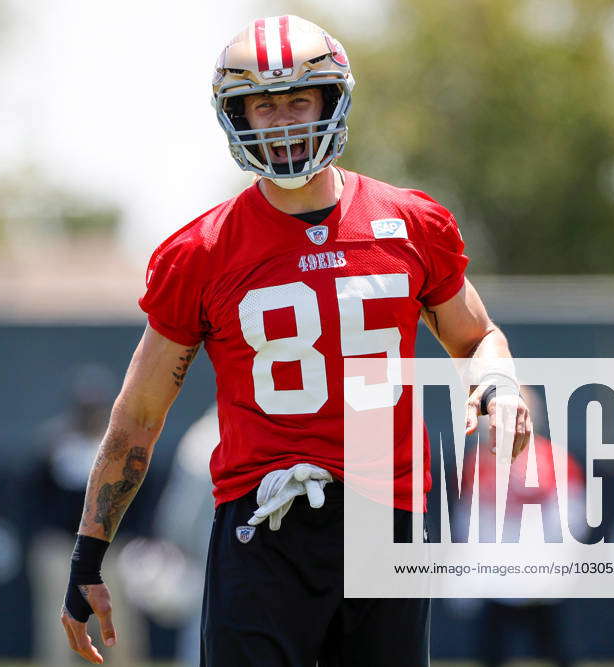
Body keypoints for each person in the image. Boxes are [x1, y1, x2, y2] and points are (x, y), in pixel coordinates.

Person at [60, 14, 532, 666]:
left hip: (385, 518)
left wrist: (498, 383)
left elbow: (478, 337)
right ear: (237, 115)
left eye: (298, 100)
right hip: (262, 524)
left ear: (332, 100)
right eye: (265, 105)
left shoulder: (410, 223)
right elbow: (138, 416)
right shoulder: (200, 251)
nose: (284, 121)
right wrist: (89, 553)